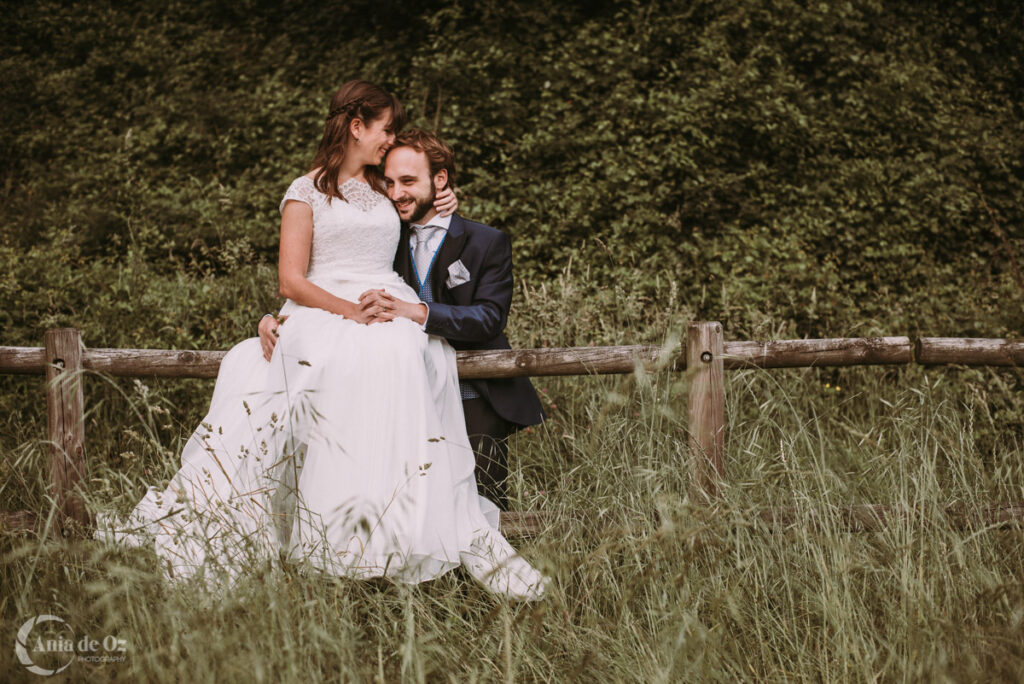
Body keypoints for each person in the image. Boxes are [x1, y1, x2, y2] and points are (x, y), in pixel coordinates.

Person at [97, 80, 548, 601]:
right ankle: (327, 539)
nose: (390, 138)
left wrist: (442, 197)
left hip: (386, 305)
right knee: (301, 392)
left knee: (400, 360)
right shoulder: (305, 189)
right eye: (385, 128)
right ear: (357, 127)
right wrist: (328, 313)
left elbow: (417, 206)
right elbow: (291, 280)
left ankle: (390, 531)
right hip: (328, 308)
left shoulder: (383, 188)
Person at [258, 129, 545, 511]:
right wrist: (274, 318)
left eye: (408, 182)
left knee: (481, 506)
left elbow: (489, 318)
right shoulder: (388, 238)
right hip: (406, 394)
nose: (395, 194)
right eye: (390, 183)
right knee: (411, 503)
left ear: (440, 181)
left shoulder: (486, 241)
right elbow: (332, 276)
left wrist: (416, 311)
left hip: (474, 393)